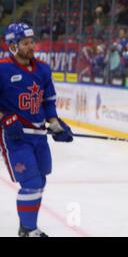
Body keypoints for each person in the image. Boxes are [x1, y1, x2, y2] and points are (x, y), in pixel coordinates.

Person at [0, 23, 73, 237]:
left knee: (40, 181)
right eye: (25, 43)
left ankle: (28, 227)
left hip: (39, 136)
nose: (31, 46)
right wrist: (5, 118)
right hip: (15, 137)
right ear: (12, 46)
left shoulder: (43, 69)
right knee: (30, 182)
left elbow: (48, 101)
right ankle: (28, 230)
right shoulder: (2, 69)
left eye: (32, 42)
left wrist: (56, 124)